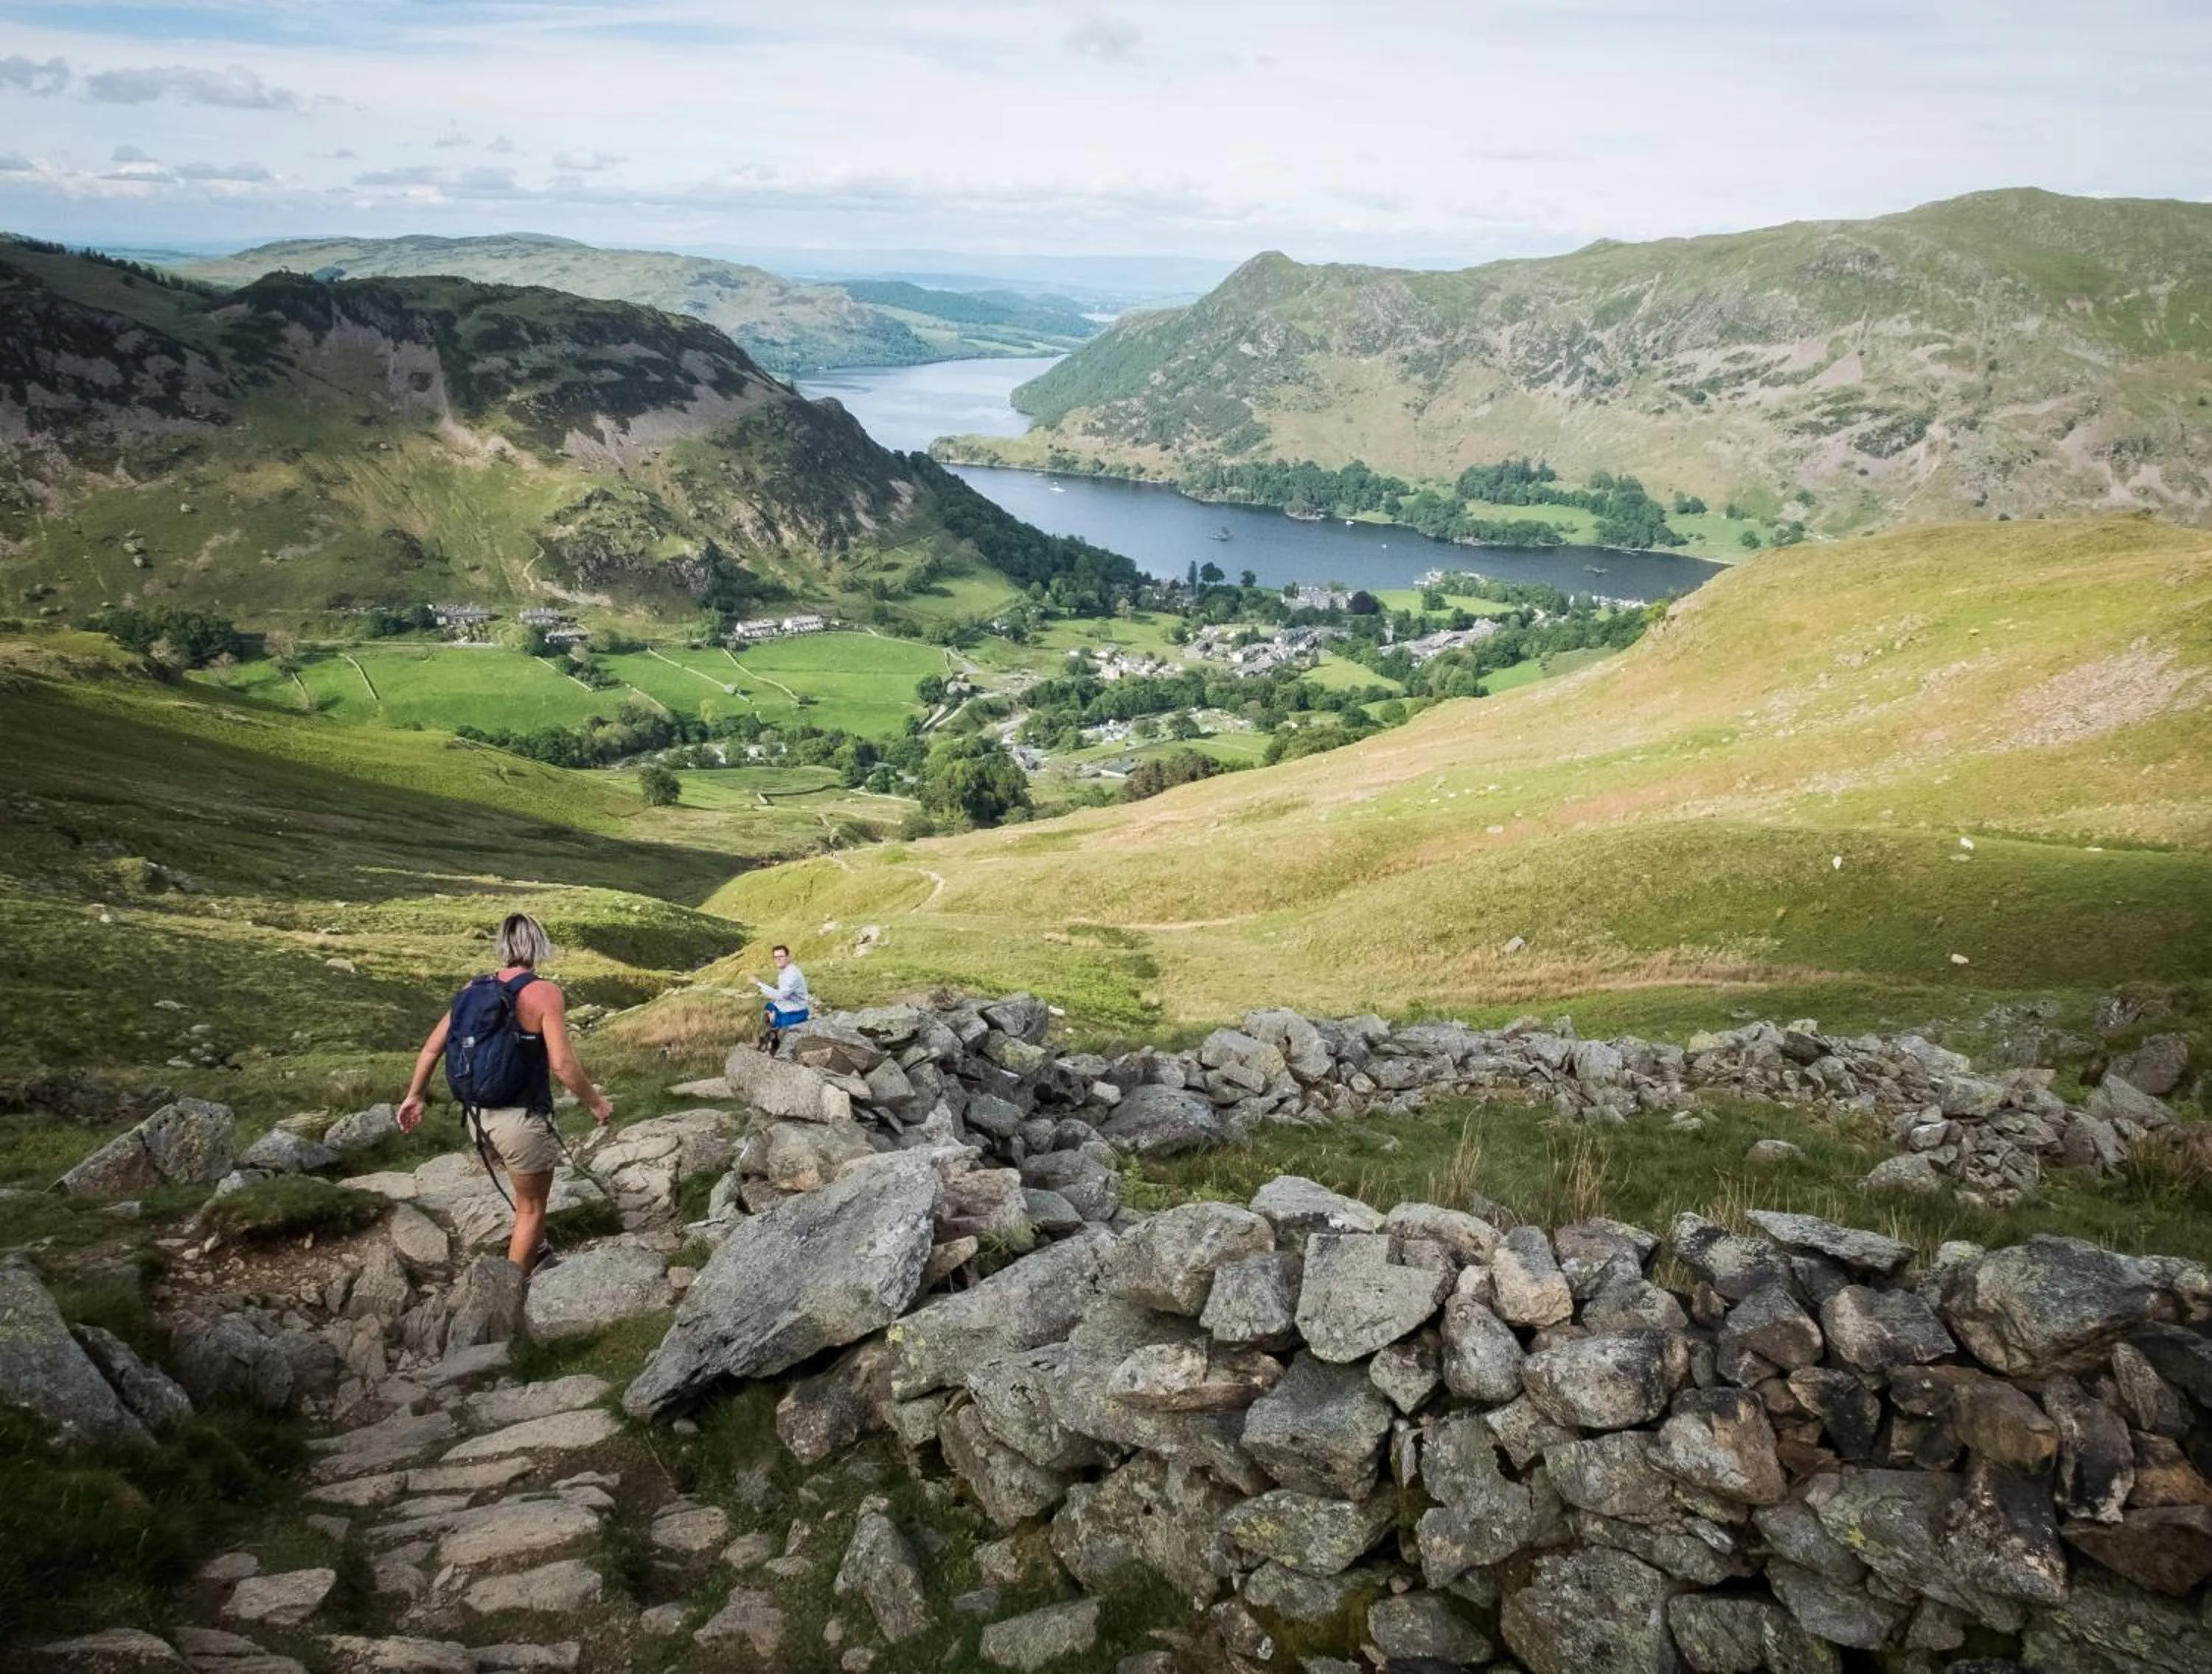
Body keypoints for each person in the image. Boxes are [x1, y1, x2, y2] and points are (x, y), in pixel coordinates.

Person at [395, 912, 612, 1273]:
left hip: (478, 1119)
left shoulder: (473, 989)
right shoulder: (544, 993)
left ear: (502, 945)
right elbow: (562, 1065)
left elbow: (433, 1048)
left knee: (522, 1195)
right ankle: (510, 1293)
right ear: (539, 945)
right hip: (520, 1120)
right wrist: (597, 1104)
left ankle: (534, 1249)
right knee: (531, 1208)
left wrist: (415, 1096)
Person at [753, 942, 810, 1046]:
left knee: (772, 1018)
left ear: (788, 957)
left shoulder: (792, 974)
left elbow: (782, 995)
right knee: (768, 1013)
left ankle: (774, 1040)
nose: (778, 959)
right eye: (775, 957)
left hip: (796, 1009)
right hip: (789, 1004)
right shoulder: (785, 970)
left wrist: (759, 984)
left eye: (781, 956)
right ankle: (771, 1036)